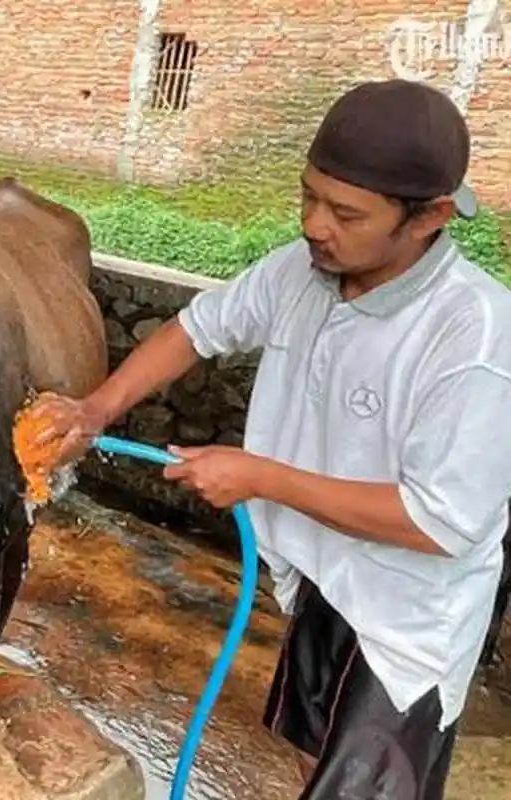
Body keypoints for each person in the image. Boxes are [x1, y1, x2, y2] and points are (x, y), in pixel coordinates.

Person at [26, 78, 511, 799]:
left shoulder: (472, 335)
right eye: (308, 196)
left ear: (430, 217)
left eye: (345, 212)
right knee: (310, 762)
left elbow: (439, 521)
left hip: (406, 618)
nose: (315, 224)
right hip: (321, 581)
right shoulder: (303, 272)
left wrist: (262, 477)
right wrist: (96, 409)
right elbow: (196, 328)